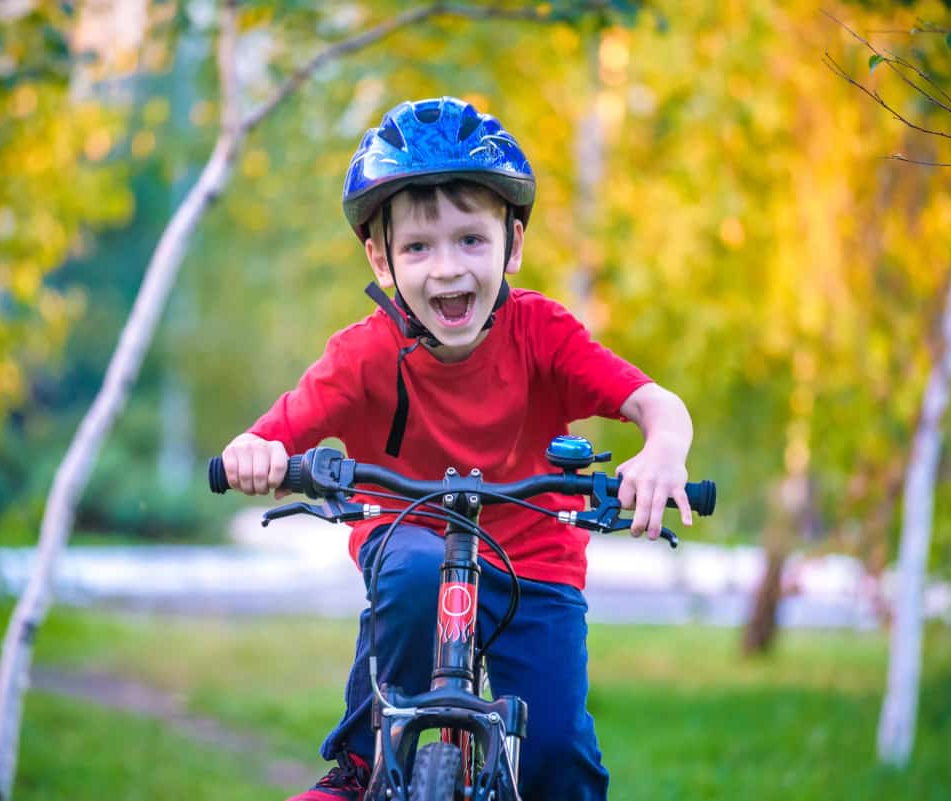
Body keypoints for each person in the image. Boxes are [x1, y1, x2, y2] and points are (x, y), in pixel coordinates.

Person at [220, 96, 694, 801]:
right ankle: (362, 763)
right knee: (410, 573)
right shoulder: (362, 354)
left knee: (557, 754)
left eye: (471, 240)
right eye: (418, 246)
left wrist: (661, 452)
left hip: (535, 562)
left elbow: (658, 405)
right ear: (380, 258)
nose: (448, 268)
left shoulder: (544, 333)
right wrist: (253, 452)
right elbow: (269, 433)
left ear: (514, 243)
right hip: (408, 536)